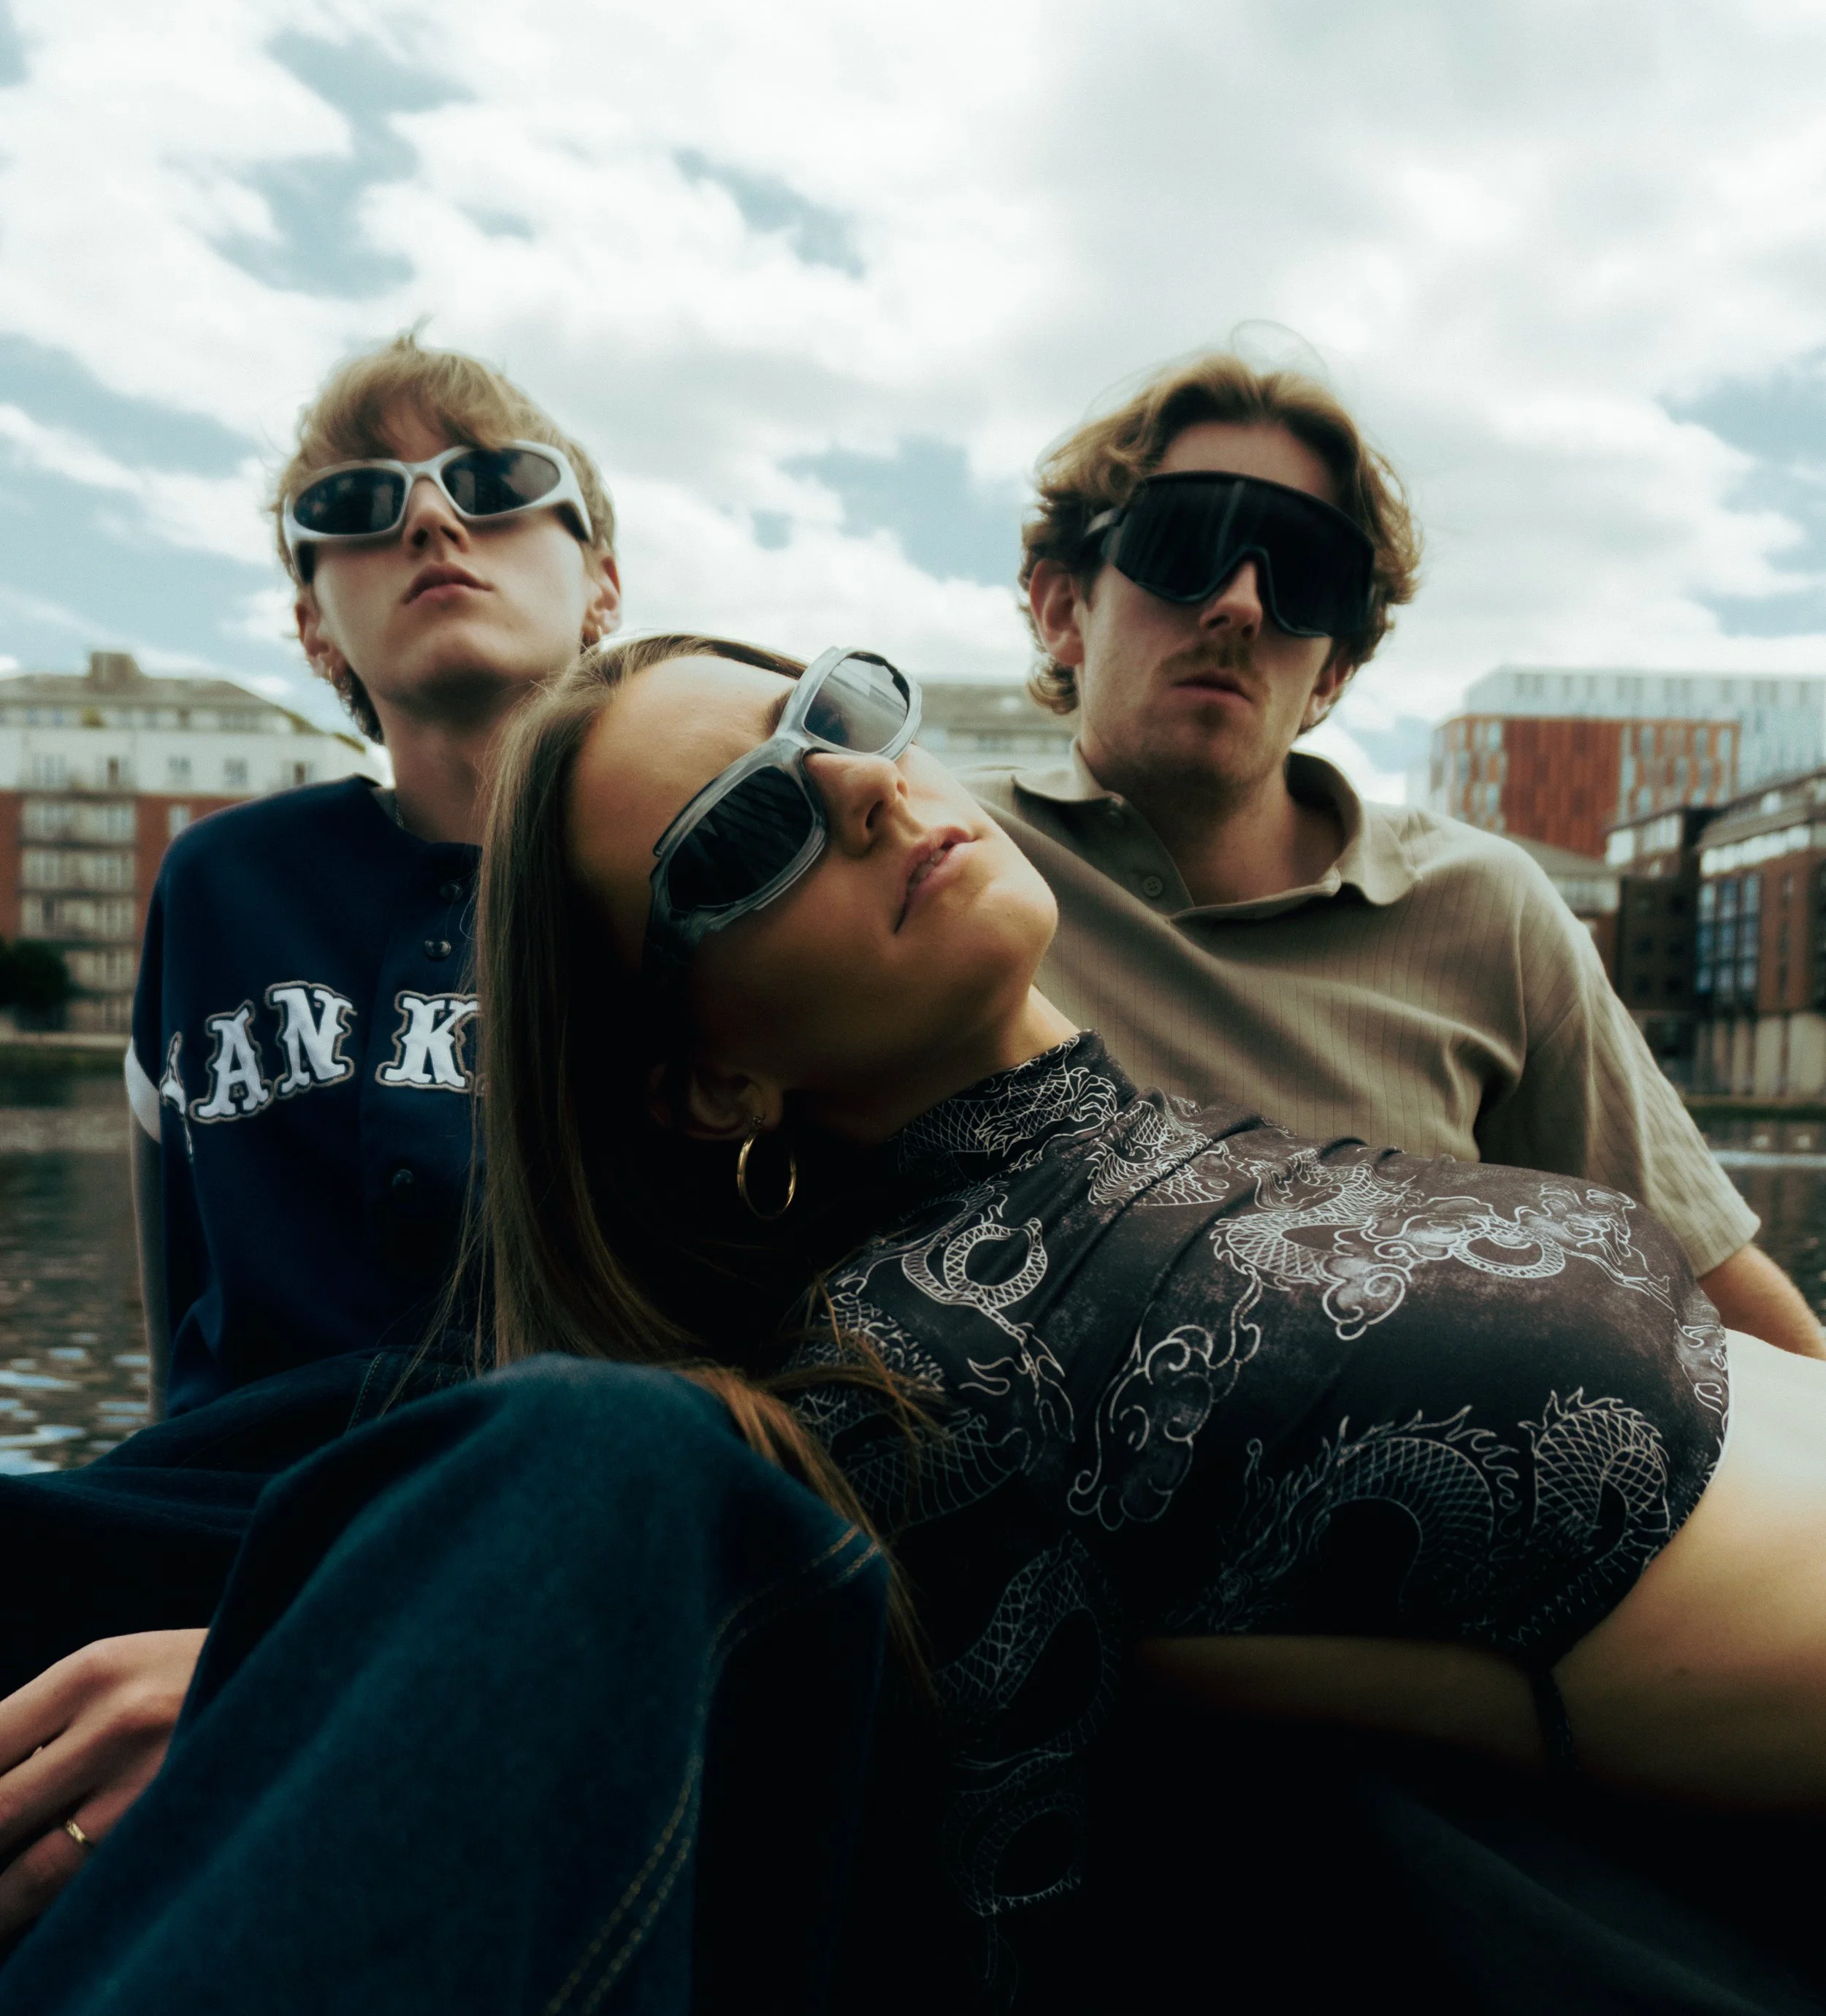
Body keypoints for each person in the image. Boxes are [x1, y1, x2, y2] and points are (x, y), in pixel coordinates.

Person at [9, 633, 1826, 2012]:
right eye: (743, 834)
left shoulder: (1160, 1161)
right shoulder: (929, 1385)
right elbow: (702, 1600)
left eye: (835, 710)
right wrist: (335, 1666)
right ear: (707, 1079)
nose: (859, 788)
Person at [959, 352, 1824, 1360]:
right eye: (1182, 540)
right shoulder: (945, 860)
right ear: (1064, 609)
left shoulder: (1487, 911)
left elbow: (1725, 1301)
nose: (1239, 602)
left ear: (1334, 669)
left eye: (1305, 571)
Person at [126, 332, 621, 1418]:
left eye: (497, 483)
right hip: (236, 1491)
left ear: (603, 582)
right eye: (354, 504)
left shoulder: (695, 875)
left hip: (575, 1461)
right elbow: (179, 1286)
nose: (431, 520)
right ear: (313, 627)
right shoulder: (219, 886)